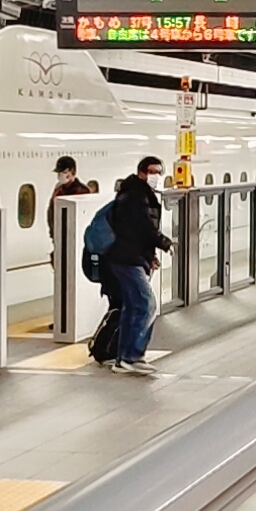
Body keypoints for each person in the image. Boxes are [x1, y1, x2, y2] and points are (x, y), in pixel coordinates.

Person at [93, 155, 169, 375]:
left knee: (132, 306)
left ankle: (124, 358)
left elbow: (135, 234)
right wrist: (163, 243)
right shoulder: (134, 196)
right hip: (125, 260)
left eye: (159, 172)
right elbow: (142, 228)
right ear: (142, 172)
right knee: (147, 304)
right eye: (153, 172)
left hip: (129, 257)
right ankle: (131, 356)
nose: (157, 177)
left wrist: (148, 255)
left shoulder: (137, 193)